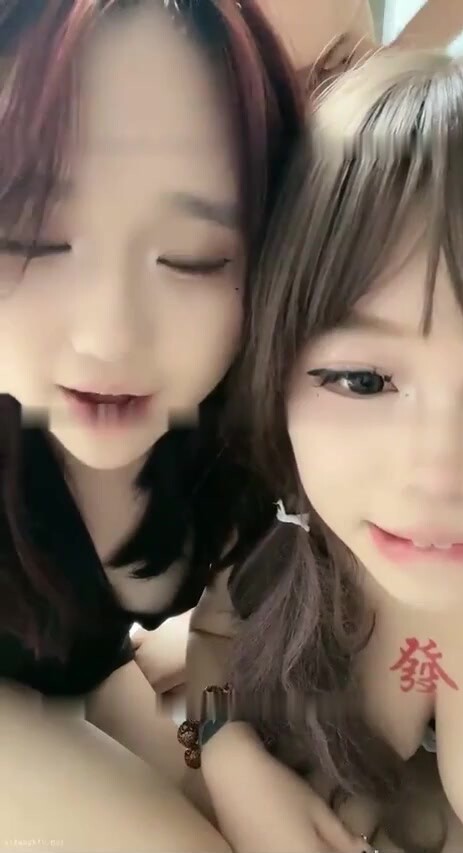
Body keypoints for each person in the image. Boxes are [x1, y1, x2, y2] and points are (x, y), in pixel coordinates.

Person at [0, 0, 302, 849]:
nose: (109, 337)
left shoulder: (240, 441)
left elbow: (220, 625)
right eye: (29, 237)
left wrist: (224, 738)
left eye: (192, 258)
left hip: (85, 666)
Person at [184, 47, 463, 852]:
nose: (438, 472)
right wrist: (224, 749)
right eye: (362, 380)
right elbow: (212, 641)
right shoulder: (276, 525)